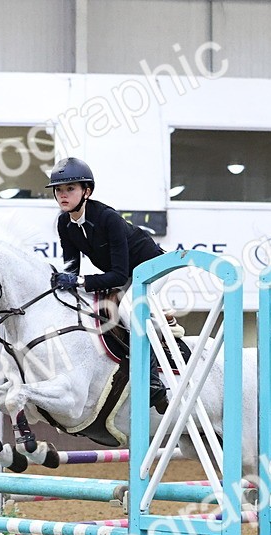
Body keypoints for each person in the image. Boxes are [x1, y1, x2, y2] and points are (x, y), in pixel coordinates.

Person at [46, 157, 169, 412]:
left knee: (126, 311)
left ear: (86, 191)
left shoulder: (108, 218)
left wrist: (79, 281)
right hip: (125, 275)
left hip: (153, 267)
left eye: (70, 189)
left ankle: (153, 381)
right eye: (59, 190)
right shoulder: (63, 223)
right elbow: (72, 268)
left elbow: (116, 274)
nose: (63, 195)